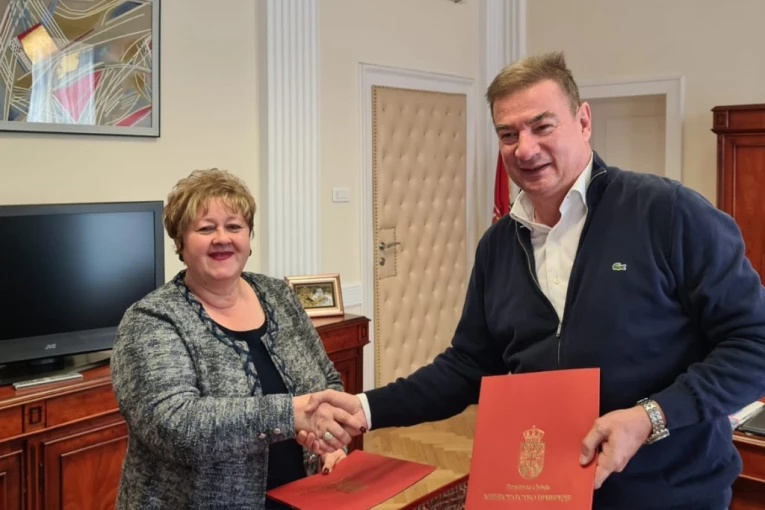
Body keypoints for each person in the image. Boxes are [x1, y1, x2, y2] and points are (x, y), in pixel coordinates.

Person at [301, 52, 765, 510]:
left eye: (542, 126)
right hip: (541, 489)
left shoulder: (669, 213)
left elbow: (754, 343)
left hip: (672, 494)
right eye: (509, 134)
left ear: (583, 121)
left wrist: (651, 417)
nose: (524, 149)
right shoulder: (497, 246)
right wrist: (365, 408)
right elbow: (467, 366)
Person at [110, 169, 365, 509]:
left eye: (234, 226)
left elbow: (327, 382)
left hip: (301, 497)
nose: (222, 238)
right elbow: (175, 428)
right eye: (206, 228)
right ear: (180, 243)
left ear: (248, 237)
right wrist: (288, 414)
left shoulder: (278, 295)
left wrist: (330, 443)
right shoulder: (151, 320)